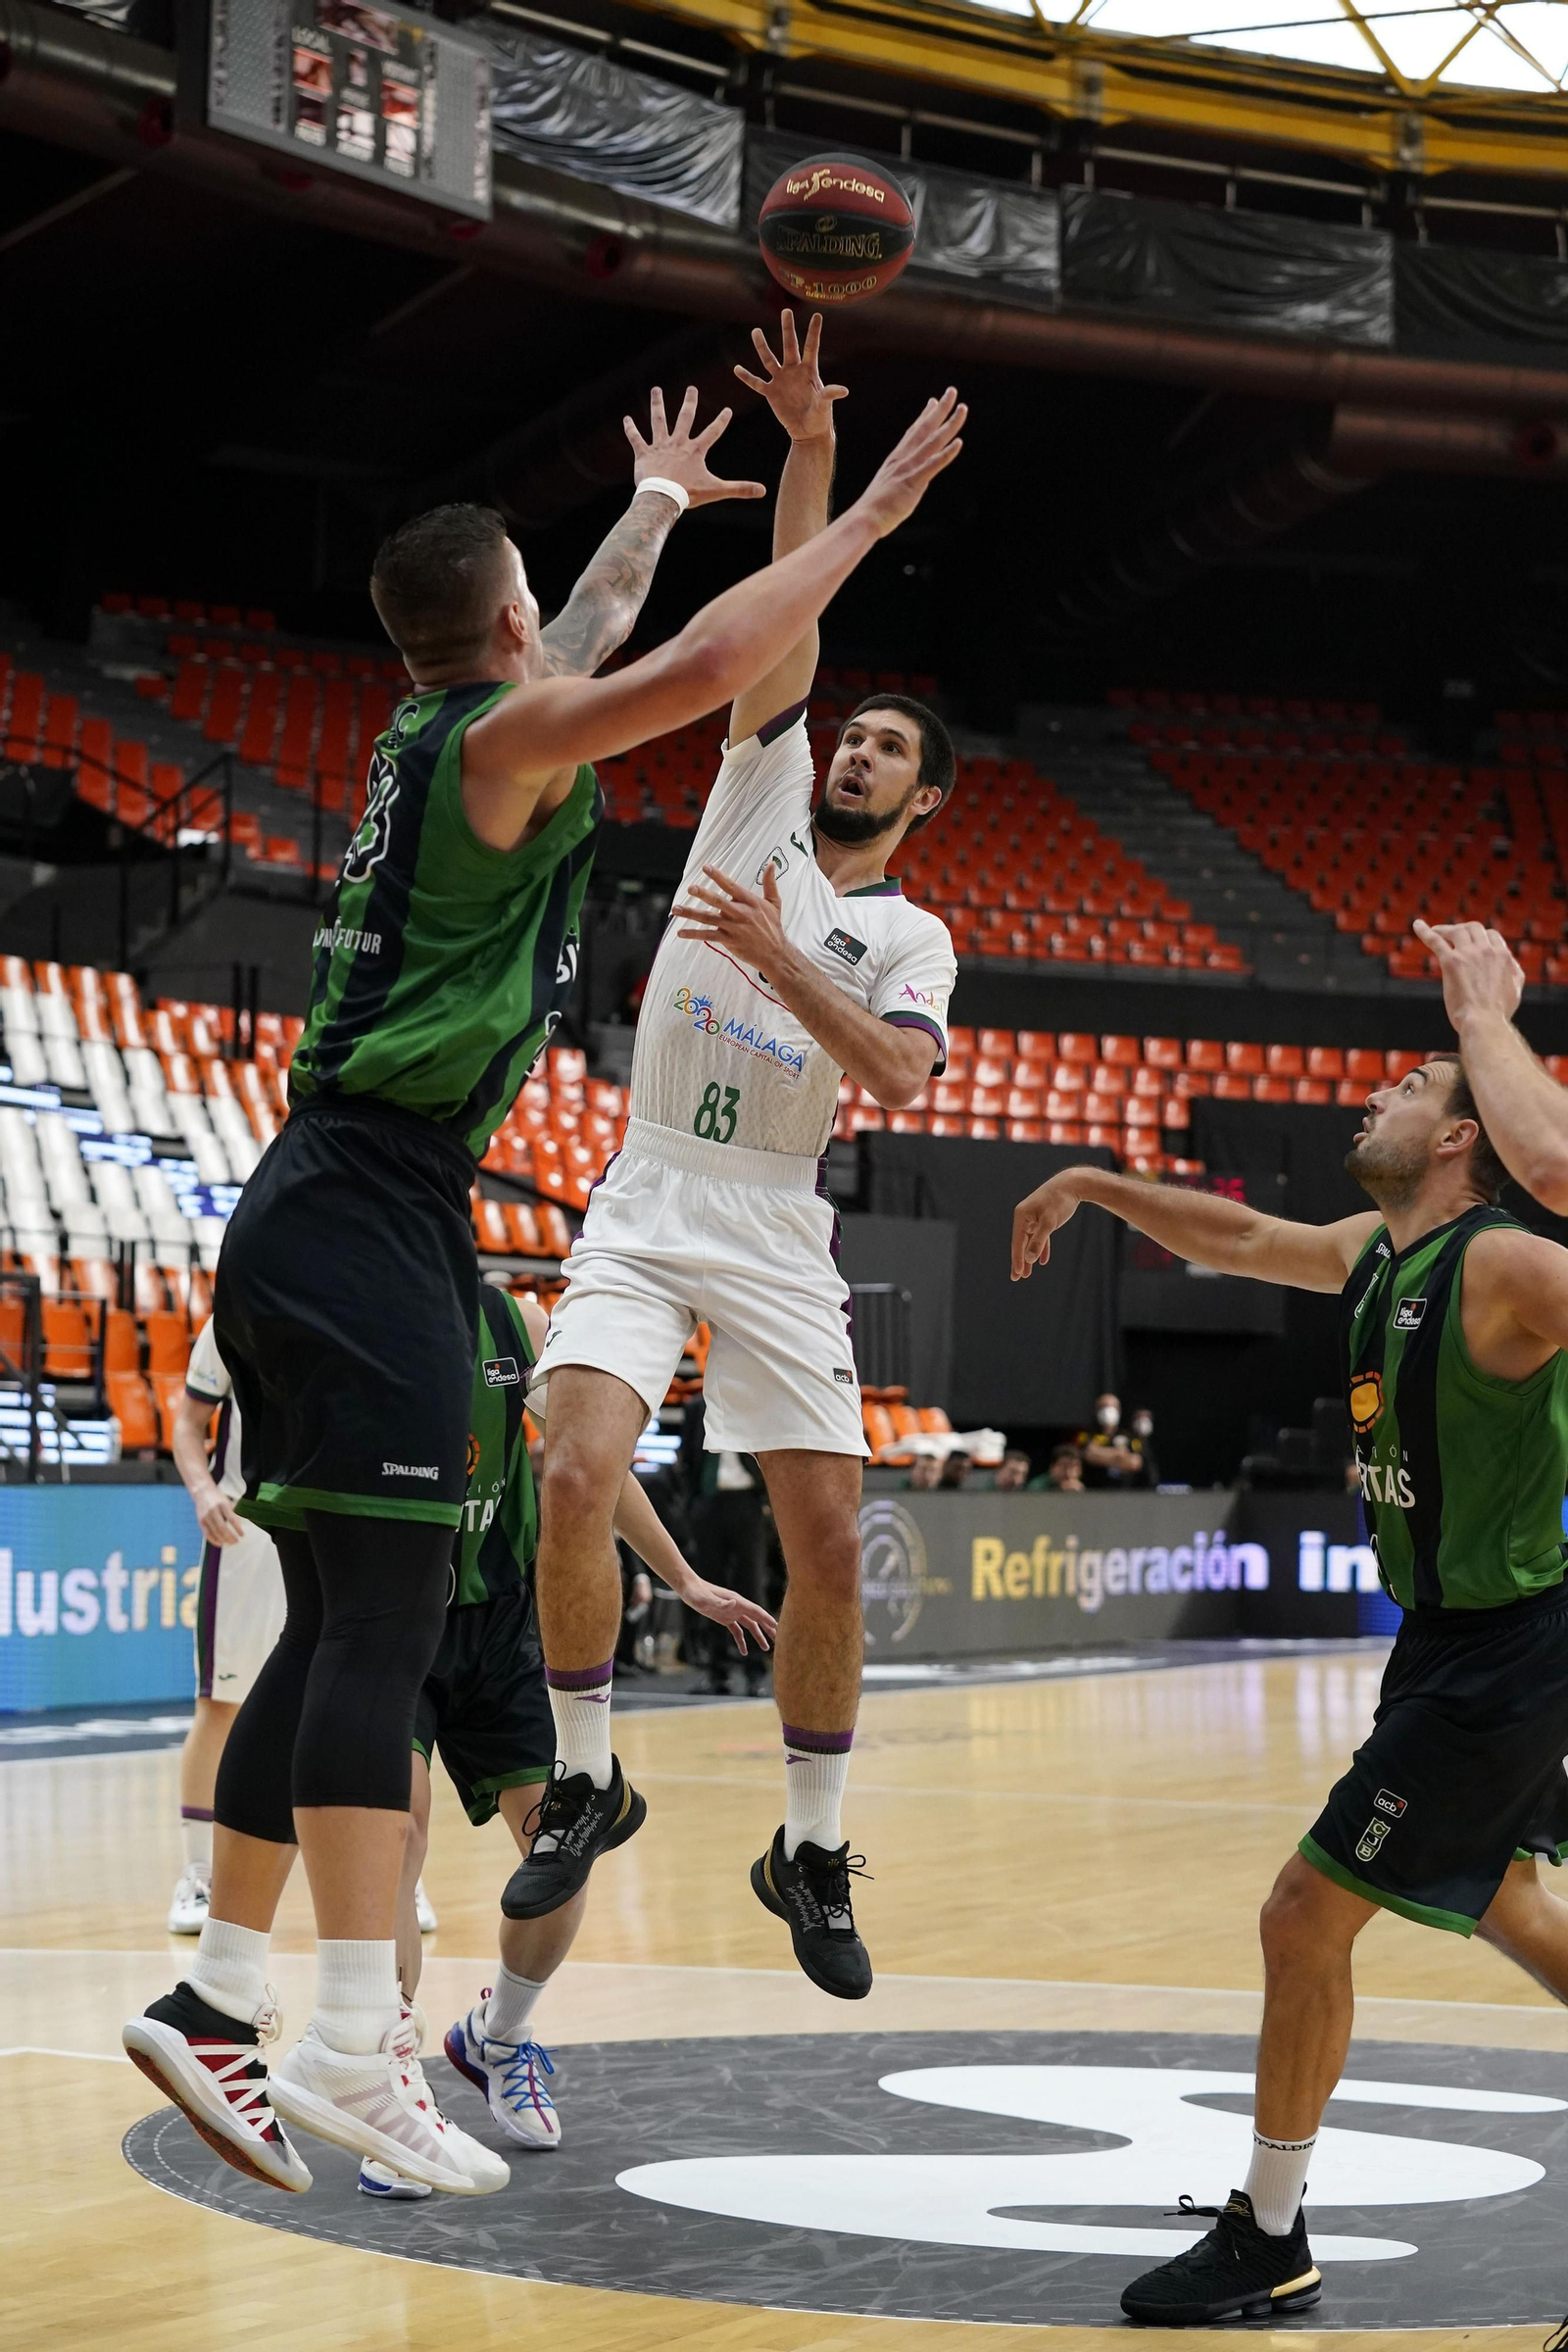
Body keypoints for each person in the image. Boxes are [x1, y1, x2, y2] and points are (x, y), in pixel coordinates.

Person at [122, 366, 963, 2194]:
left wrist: (654, 505)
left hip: (374, 1197)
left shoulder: (455, 719)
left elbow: (591, 624)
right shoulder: (507, 742)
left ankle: (221, 2004)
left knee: (364, 1609)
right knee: (388, 1620)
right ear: (502, 623)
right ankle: (344, 2041)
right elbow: (682, 665)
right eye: (538, 596)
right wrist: (868, 512)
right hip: (375, 1198)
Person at [520, 313, 964, 2004]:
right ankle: (583, 1776)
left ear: (923, 804)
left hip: (777, 1220)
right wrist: (813, 457)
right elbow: (790, 604)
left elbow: (905, 1080)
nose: (854, 749)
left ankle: (811, 1842)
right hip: (649, 1189)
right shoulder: (759, 783)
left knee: (830, 1541)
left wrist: (788, 968)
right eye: (854, 735)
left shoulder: (915, 933)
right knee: (573, 1468)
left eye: (888, 754)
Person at [1011, 1052, 1568, 2326]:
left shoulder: (1504, 1263)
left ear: (1459, 1137)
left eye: (1410, 1088)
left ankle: (1267, 2233)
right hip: (1447, 1644)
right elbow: (1245, 1233)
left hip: (1508, 1651)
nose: (1375, 1100)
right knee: (1512, 1907)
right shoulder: (1378, 1252)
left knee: (1302, 1916)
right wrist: (1095, 1183)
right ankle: (1270, 2234)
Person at [374, 1282, 773, 2188]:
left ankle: (498, 2033)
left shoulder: (517, 1324)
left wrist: (682, 1578)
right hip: (394, 1621)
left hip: (504, 1629)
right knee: (394, 1838)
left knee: (563, 1847)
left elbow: (596, 1460)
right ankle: (391, 2087)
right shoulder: (366, 1310)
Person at [165, 1317, 287, 1936]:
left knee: (361, 1701)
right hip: (246, 1532)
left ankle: (398, 1876)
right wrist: (202, 1489)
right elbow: (187, 1425)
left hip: (336, 1528)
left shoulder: (357, 1290)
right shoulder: (235, 1316)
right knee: (221, 1706)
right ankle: (199, 1875)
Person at [1074, 1393, 1147, 1488]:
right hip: (1095, 1489)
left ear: (1119, 1410)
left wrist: (1100, 1455)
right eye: (1103, 1407)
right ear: (1096, 1410)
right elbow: (1088, 1455)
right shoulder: (1087, 1435)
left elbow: (1135, 1463)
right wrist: (1118, 1455)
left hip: (1124, 1491)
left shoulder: (1128, 1436)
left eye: (1112, 1407)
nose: (1108, 1411)